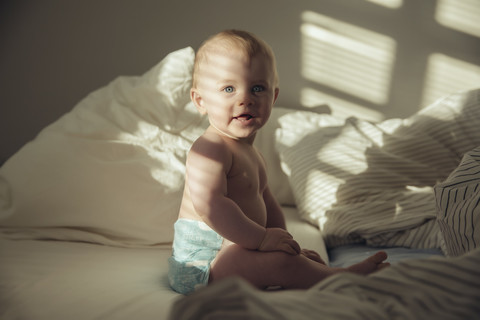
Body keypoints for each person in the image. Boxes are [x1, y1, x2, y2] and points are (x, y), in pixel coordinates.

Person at [168, 29, 389, 295]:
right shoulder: (210, 149)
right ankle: (338, 278)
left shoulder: (254, 154)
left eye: (257, 88)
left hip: (240, 249)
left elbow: (268, 202)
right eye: (228, 88)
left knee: (283, 259)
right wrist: (261, 240)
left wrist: (285, 244)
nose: (244, 98)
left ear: (272, 97)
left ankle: (308, 271)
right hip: (202, 268)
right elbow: (211, 205)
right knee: (272, 263)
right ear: (200, 101)